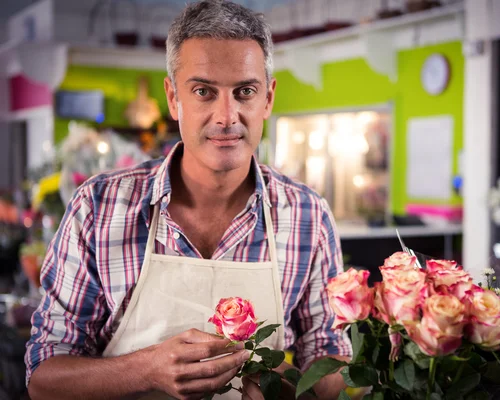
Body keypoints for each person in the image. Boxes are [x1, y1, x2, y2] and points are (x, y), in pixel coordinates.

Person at [24, 1, 352, 399]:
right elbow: (43, 378)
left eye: (245, 91)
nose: (226, 116)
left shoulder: (308, 215)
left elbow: (331, 358)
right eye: (203, 91)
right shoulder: (97, 207)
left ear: (267, 99)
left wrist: (289, 385)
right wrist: (145, 370)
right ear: (173, 98)